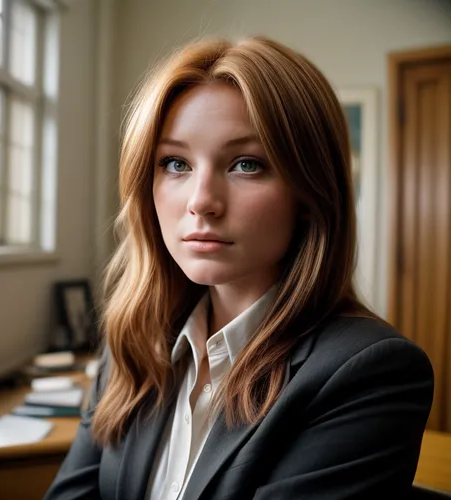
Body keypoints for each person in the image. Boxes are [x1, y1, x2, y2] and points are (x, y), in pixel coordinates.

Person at [45, 36, 433, 500]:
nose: (201, 201)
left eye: (246, 164)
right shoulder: (133, 340)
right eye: (175, 163)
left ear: (310, 194)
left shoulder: (370, 372)